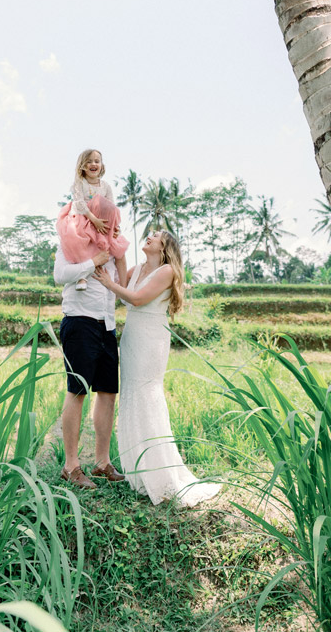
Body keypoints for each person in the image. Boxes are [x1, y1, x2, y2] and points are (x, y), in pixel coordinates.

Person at [94, 231, 220, 507]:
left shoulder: (167, 271)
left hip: (151, 337)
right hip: (132, 337)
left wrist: (108, 283)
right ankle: (138, 471)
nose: (149, 236)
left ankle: (159, 471)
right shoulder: (138, 268)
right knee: (131, 396)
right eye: (149, 234)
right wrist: (118, 249)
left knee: (147, 394)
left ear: (165, 246)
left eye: (156, 235)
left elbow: (136, 299)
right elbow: (122, 288)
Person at [53, 243, 126, 490]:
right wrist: (93, 261)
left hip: (106, 324)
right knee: (77, 391)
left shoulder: (113, 250)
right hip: (79, 320)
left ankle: (102, 462)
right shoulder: (71, 241)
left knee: (108, 392)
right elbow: (60, 275)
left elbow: (121, 286)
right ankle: (71, 466)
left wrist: (119, 255)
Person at [56, 148, 129, 291]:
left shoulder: (106, 186)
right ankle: (81, 276)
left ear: (102, 165)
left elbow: (111, 206)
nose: (93, 164)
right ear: (82, 166)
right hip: (82, 219)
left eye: (97, 161)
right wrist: (94, 220)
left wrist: (114, 227)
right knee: (78, 241)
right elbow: (80, 204)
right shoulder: (80, 183)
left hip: (100, 221)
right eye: (89, 161)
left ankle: (123, 287)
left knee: (119, 247)